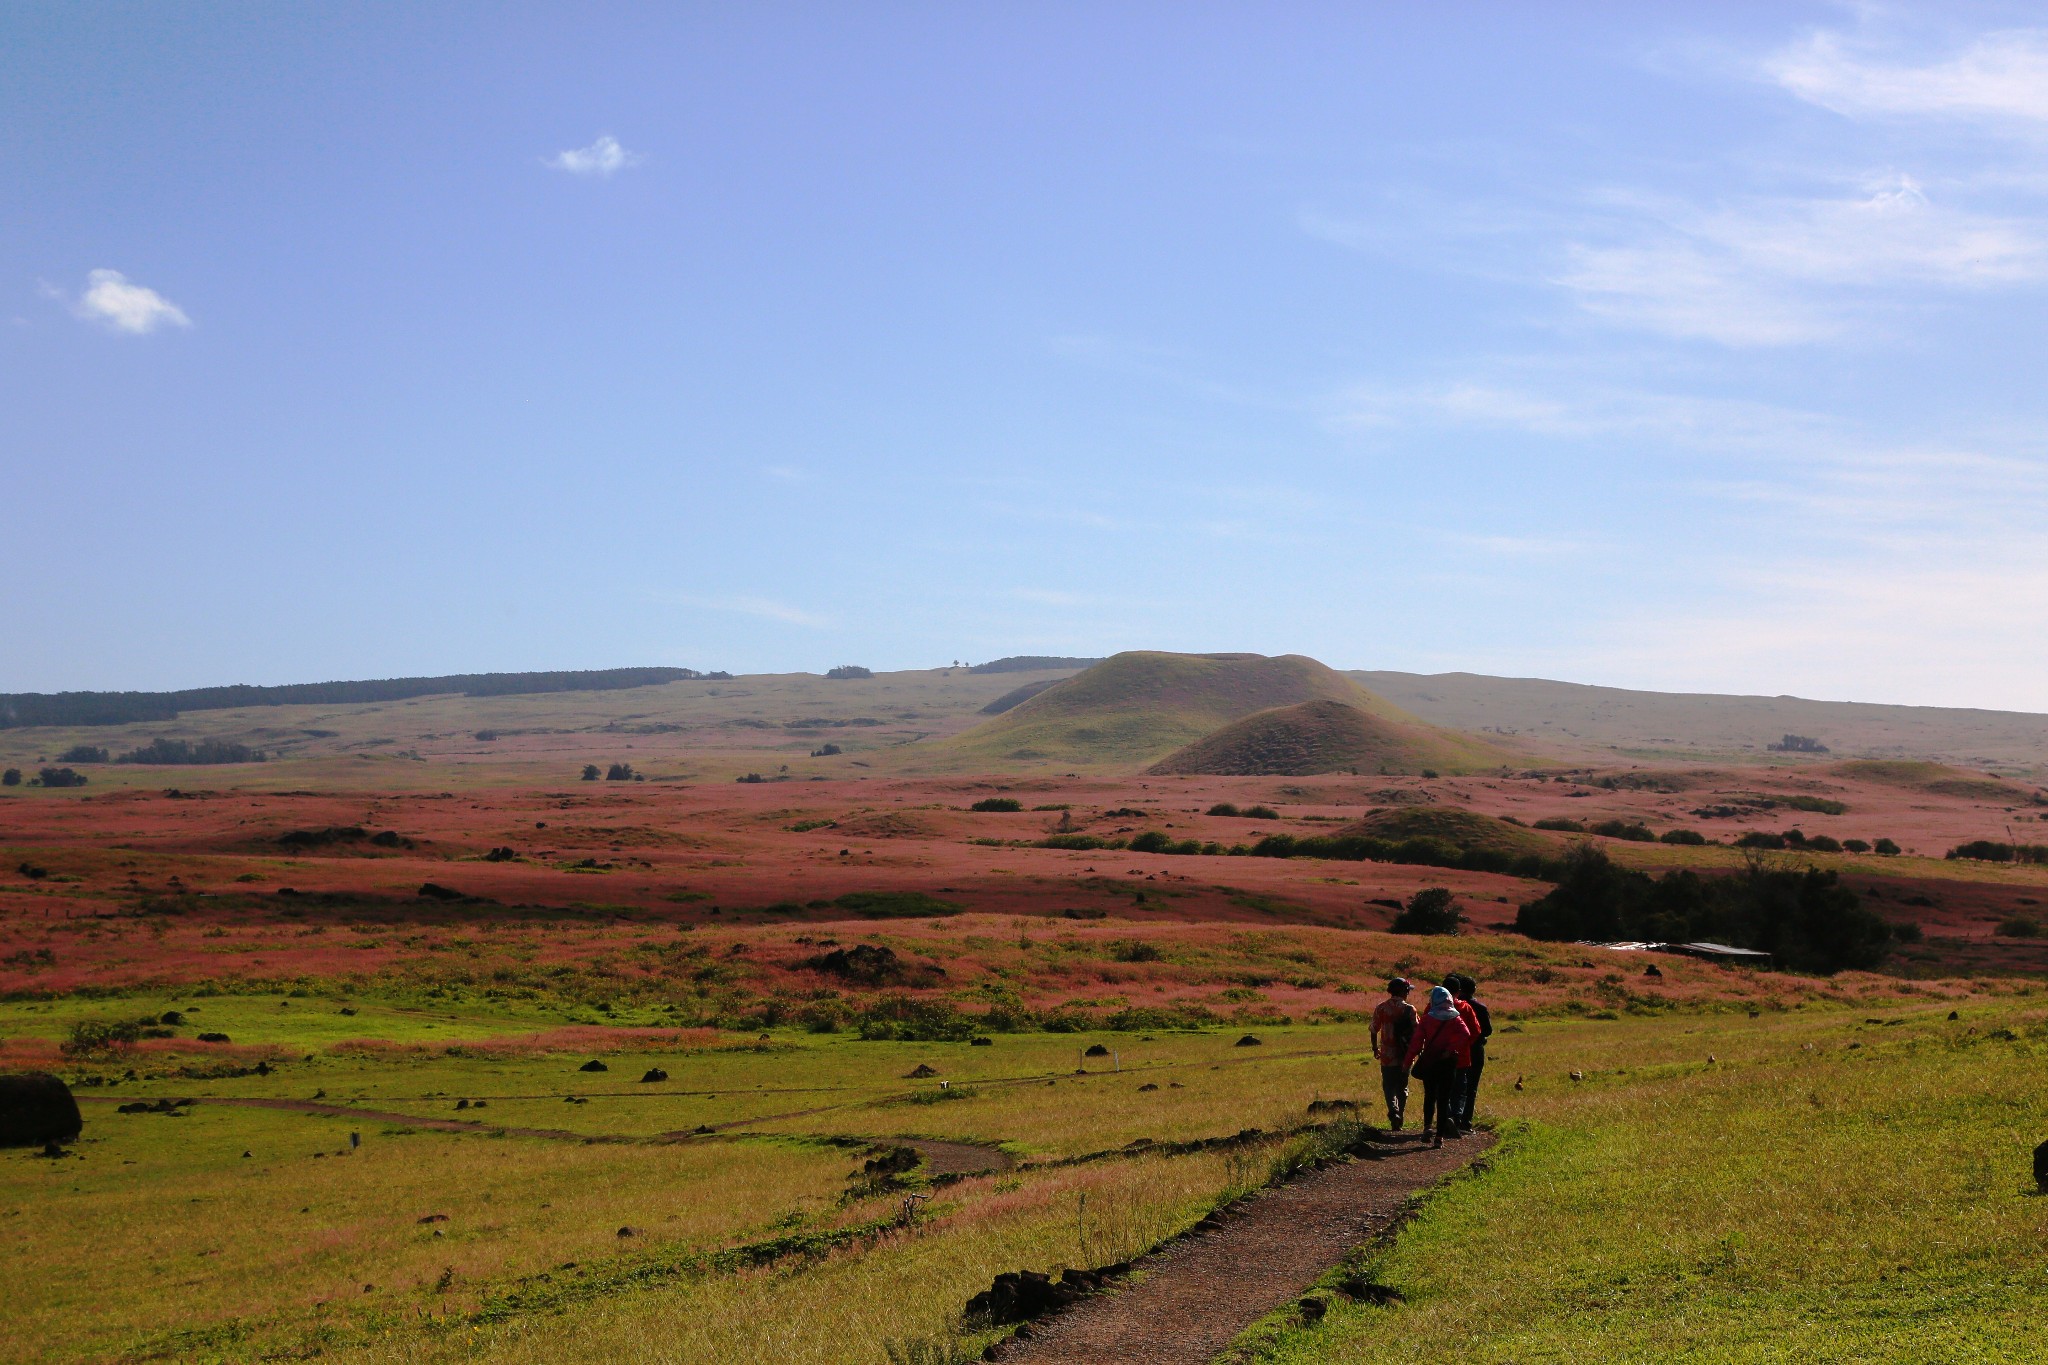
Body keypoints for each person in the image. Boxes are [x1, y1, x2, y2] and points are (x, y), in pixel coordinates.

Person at [1404, 984, 1474, 1148]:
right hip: (1448, 1063)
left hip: (1430, 1061)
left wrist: (1407, 1061)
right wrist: (1450, 1050)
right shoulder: (1455, 1019)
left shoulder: (1428, 1018)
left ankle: (1427, 1127)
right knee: (1444, 1099)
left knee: (1429, 1096)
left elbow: (1416, 1043)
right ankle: (1440, 1137)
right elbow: (1466, 1034)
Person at [1369, 977, 1417, 1130]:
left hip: (1387, 1055)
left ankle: (1393, 1111)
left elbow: (1373, 1029)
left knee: (1388, 1085)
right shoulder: (1410, 1009)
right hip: (1405, 1054)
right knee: (1402, 1086)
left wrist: (1375, 1048)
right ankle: (1400, 1115)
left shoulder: (1381, 1008)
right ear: (1404, 991)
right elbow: (1417, 1030)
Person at [1449, 973, 1492, 1134]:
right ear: (1473, 989)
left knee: (1455, 1084)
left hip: (1454, 1049)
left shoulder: (1451, 1005)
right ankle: (1465, 1121)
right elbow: (1487, 1030)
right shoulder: (1480, 1007)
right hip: (1475, 1050)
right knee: (1471, 1087)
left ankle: (1452, 1116)